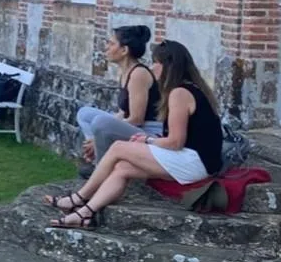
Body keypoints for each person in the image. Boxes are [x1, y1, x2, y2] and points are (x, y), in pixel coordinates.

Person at [46, 40, 223, 229]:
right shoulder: (189, 88)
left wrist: (147, 140)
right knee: (123, 168)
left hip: (194, 162)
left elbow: (175, 142)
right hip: (197, 160)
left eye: (155, 62)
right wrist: (148, 141)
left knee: (118, 148)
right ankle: (85, 213)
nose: (152, 68)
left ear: (167, 65)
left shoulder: (179, 93)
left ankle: (77, 198)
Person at [74, 25, 163, 178]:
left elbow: (137, 118)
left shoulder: (138, 74)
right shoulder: (125, 72)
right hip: (136, 127)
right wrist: (96, 137)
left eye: (111, 43)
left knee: (100, 123)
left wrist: (98, 136)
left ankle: (101, 170)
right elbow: (123, 112)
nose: (106, 48)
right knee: (85, 114)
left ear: (124, 50)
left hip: (149, 132)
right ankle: (96, 156)